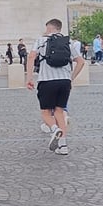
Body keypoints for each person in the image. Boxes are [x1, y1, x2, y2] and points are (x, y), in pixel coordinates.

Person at [26, 18, 85, 156]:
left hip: (47, 80)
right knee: (59, 112)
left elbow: (31, 57)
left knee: (46, 113)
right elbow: (81, 62)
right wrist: (71, 78)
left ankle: (54, 129)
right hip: (64, 81)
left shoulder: (41, 40)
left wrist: (29, 78)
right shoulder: (68, 42)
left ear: (50, 28)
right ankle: (63, 146)